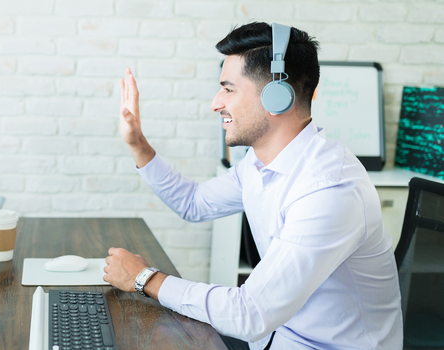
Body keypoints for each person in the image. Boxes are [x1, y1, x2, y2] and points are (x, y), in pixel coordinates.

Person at [103, 22, 403, 349]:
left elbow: (250, 313)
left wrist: (144, 278)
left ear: (277, 96)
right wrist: (138, 144)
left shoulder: (329, 189)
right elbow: (194, 203)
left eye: (228, 89)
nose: (216, 103)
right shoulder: (258, 164)